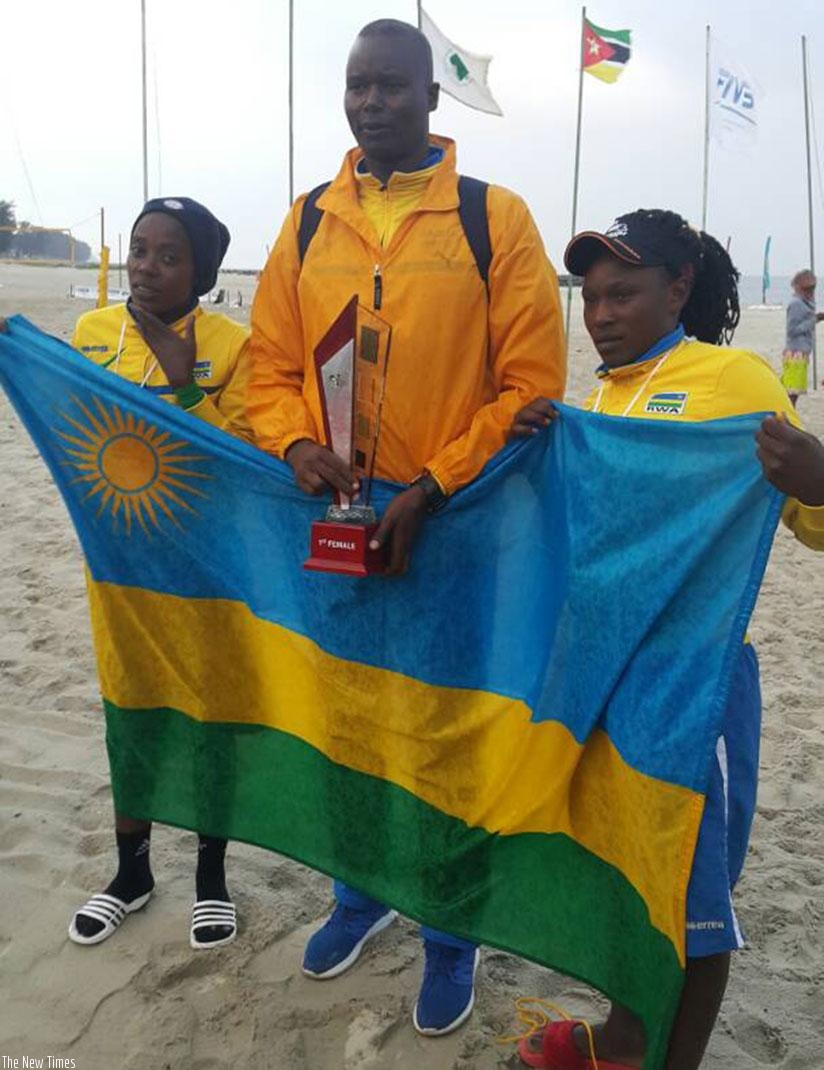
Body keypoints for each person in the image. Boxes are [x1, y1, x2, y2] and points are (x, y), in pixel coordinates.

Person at [247, 18, 566, 1036]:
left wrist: (430, 487)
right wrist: (298, 446)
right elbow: (266, 369)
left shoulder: (492, 218)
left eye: (391, 84)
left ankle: (447, 933)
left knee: (439, 731)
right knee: (344, 715)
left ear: (432, 96)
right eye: (356, 85)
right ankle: (358, 894)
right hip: (332, 515)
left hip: (453, 521)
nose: (371, 101)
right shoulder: (305, 223)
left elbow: (530, 386)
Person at [511, 209, 824, 1070]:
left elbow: (806, 520)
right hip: (605, 678)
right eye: (593, 297)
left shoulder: (736, 380)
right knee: (627, 868)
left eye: (625, 293)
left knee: (693, 898)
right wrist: (539, 457)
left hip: (694, 683)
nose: (602, 313)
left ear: (678, 289)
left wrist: (822, 480)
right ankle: (621, 1037)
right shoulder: (601, 396)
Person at [66, 197, 252, 949]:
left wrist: (184, 387)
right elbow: (73, 426)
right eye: (139, 249)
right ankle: (132, 872)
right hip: (119, 566)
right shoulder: (92, 332)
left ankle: (212, 876)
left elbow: (243, 462)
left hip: (207, 567)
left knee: (211, 721)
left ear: (201, 271)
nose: (146, 267)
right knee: (132, 713)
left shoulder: (235, 345)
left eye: (169, 256)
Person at [781, 268, 824, 405]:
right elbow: (792, 330)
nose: (811, 293)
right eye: (808, 290)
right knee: (792, 392)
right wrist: (813, 320)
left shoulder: (805, 303)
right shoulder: (796, 304)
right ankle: (787, 417)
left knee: (794, 390)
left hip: (801, 351)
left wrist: (816, 318)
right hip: (795, 353)